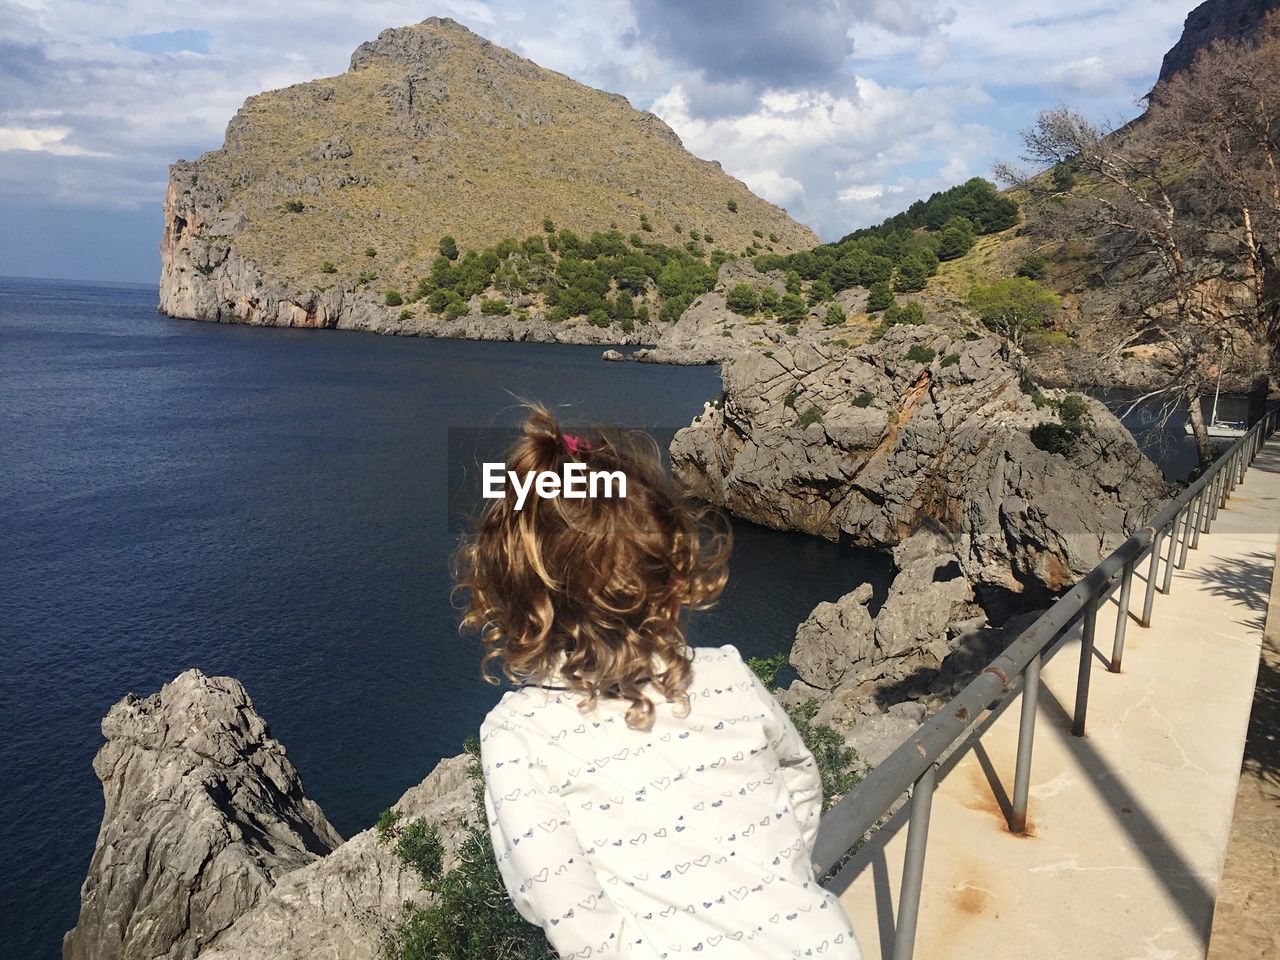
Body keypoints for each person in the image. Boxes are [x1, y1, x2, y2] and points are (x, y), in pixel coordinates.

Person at [455, 405, 863, 959]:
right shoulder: (723, 672)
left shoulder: (519, 735)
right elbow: (798, 778)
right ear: (675, 576)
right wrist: (772, 885)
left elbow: (564, 912)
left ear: (512, 599)